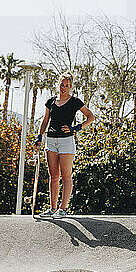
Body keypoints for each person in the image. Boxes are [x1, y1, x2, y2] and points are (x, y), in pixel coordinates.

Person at [34, 73, 95, 218]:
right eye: (62, 84)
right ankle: (53, 208)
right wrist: (39, 136)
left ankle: (63, 209)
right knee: (53, 176)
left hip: (66, 141)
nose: (64, 88)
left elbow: (91, 117)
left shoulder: (74, 101)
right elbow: (45, 120)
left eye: (67, 85)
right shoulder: (50, 102)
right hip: (51, 141)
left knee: (66, 176)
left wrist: (76, 128)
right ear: (59, 84)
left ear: (70, 86)